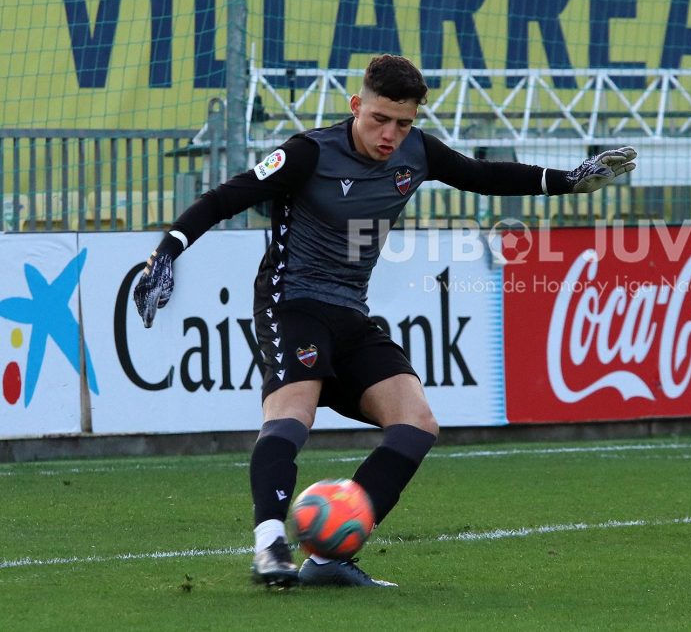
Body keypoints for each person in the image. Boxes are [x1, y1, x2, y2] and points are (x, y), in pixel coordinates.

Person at [132, 54, 637, 586]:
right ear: (356, 106)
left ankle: (328, 560)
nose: (391, 134)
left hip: (351, 313)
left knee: (417, 424)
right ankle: (269, 546)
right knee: (291, 416)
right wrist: (165, 253)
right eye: (379, 119)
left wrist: (569, 181)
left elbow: (482, 175)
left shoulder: (416, 153)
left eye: (403, 122)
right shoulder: (308, 153)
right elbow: (223, 198)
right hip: (293, 304)